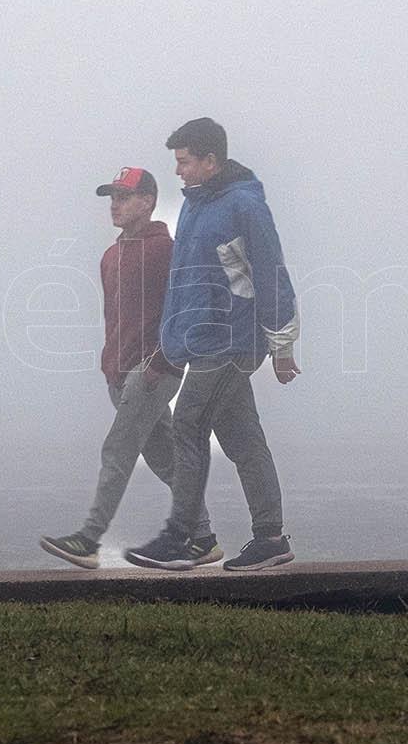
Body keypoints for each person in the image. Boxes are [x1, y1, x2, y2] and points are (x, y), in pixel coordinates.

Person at [127, 117, 300, 572]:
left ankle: (186, 539)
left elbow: (271, 272)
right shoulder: (194, 207)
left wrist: (282, 345)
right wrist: (168, 348)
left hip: (231, 341)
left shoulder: (244, 205)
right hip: (201, 341)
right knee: (243, 439)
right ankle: (271, 539)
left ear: (210, 160)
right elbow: (185, 285)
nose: (178, 171)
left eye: (184, 161)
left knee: (187, 424)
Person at [39, 167, 220, 570]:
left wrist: (163, 361)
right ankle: (204, 538)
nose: (115, 205)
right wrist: (110, 365)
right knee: (166, 459)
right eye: (113, 197)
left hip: (153, 372)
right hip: (119, 374)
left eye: (124, 197)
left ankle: (88, 539)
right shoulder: (110, 255)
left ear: (148, 201)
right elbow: (114, 317)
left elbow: (192, 306)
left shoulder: (167, 251)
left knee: (117, 450)